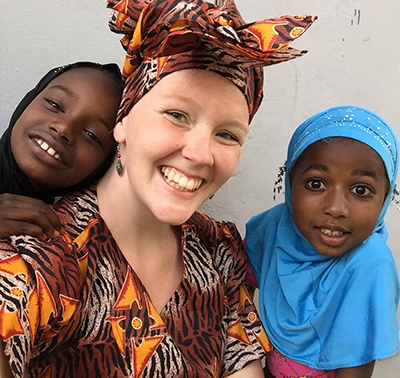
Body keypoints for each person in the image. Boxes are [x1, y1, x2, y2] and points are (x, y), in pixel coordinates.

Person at [0, 0, 316, 376]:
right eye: (177, 115)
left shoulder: (218, 249)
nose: (200, 154)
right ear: (123, 123)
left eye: (227, 134)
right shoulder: (42, 253)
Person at [246, 105, 400, 378]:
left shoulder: (370, 267)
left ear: (385, 199)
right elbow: (232, 297)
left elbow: (356, 365)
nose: (336, 208)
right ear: (291, 184)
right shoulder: (275, 227)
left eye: (361, 190)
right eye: (316, 184)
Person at [0, 61, 123, 240]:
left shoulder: (77, 241)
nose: (64, 128)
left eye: (91, 134)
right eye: (54, 105)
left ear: (104, 166)